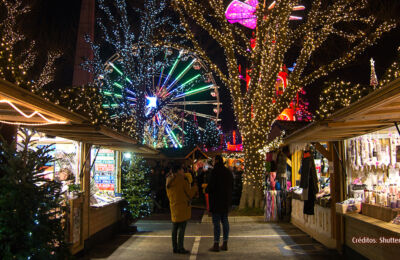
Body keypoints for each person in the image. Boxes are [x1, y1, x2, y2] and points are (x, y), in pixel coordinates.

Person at [166, 164, 198, 254]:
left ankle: (175, 247)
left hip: (173, 206)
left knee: (174, 228)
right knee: (182, 229)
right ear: (179, 170)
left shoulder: (168, 180)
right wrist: (195, 188)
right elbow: (189, 193)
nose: (183, 171)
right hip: (182, 206)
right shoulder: (182, 180)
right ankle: (180, 247)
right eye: (182, 170)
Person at [206, 155, 233, 252]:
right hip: (225, 200)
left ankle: (216, 244)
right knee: (225, 221)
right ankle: (225, 243)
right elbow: (232, 185)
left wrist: (207, 189)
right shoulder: (227, 172)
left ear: (216, 161)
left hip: (216, 200)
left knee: (216, 222)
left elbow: (211, 186)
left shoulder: (214, 172)